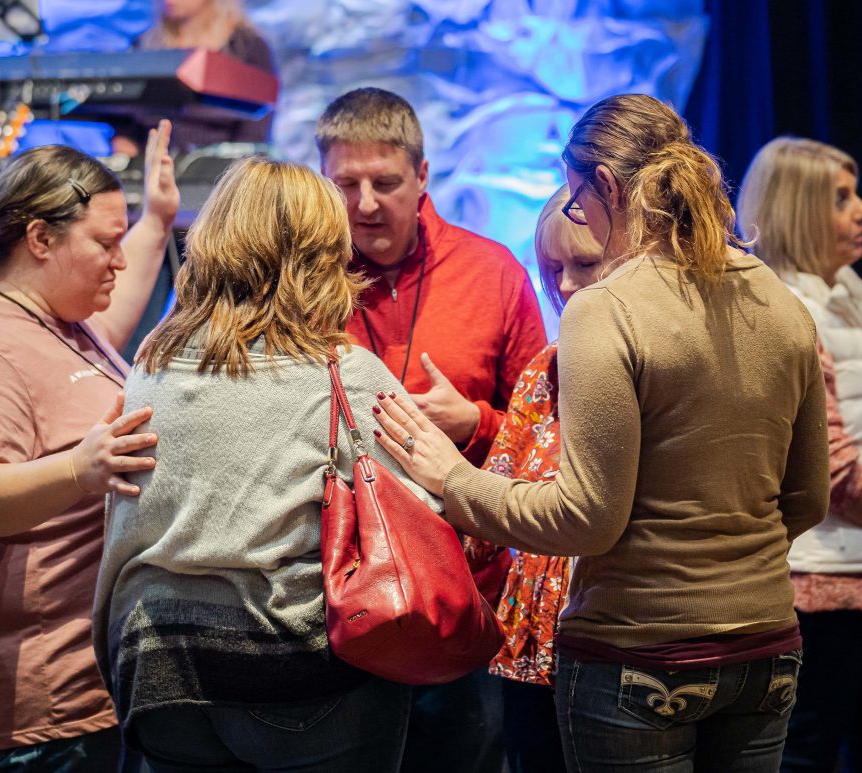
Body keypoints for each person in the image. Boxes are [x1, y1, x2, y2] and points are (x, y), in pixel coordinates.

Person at [373, 93, 830, 772]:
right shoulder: (778, 299)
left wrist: (454, 478)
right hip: (766, 649)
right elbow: (808, 498)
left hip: (639, 655)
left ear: (607, 186)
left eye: (579, 207)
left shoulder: (606, 310)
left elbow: (586, 518)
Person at [92, 156, 442, 772]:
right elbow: (423, 508)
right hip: (292, 668)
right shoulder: (342, 373)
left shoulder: (151, 362)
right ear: (321, 253)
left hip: (155, 665)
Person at [0, 123, 179, 770]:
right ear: (40, 239)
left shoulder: (59, 319)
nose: (118, 260)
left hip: (100, 682)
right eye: (105, 244)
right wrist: (80, 468)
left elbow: (113, 314)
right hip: (41, 702)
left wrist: (155, 222)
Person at [316, 85, 548, 773]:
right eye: (345, 184)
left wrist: (474, 421)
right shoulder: (304, 280)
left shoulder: (492, 271)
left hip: (464, 594)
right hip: (333, 596)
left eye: (385, 183)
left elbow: (548, 434)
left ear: (422, 175)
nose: (364, 204)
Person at [737, 137, 862, 773]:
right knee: (804, 753)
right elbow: (834, 468)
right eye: (841, 198)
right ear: (796, 210)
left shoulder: (854, 298)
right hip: (822, 581)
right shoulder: (785, 312)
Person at [463, 185, 607, 773]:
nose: (566, 285)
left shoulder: (658, 370)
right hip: (529, 647)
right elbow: (491, 496)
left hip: (611, 648)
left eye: (586, 265)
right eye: (552, 269)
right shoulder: (544, 368)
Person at [112, 0, 275, 156]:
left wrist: (234, 167)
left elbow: (257, 126)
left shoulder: (247, 46)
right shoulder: (143, 45)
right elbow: (124, 117)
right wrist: (125, 146)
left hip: (222, 167)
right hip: (150, 162)